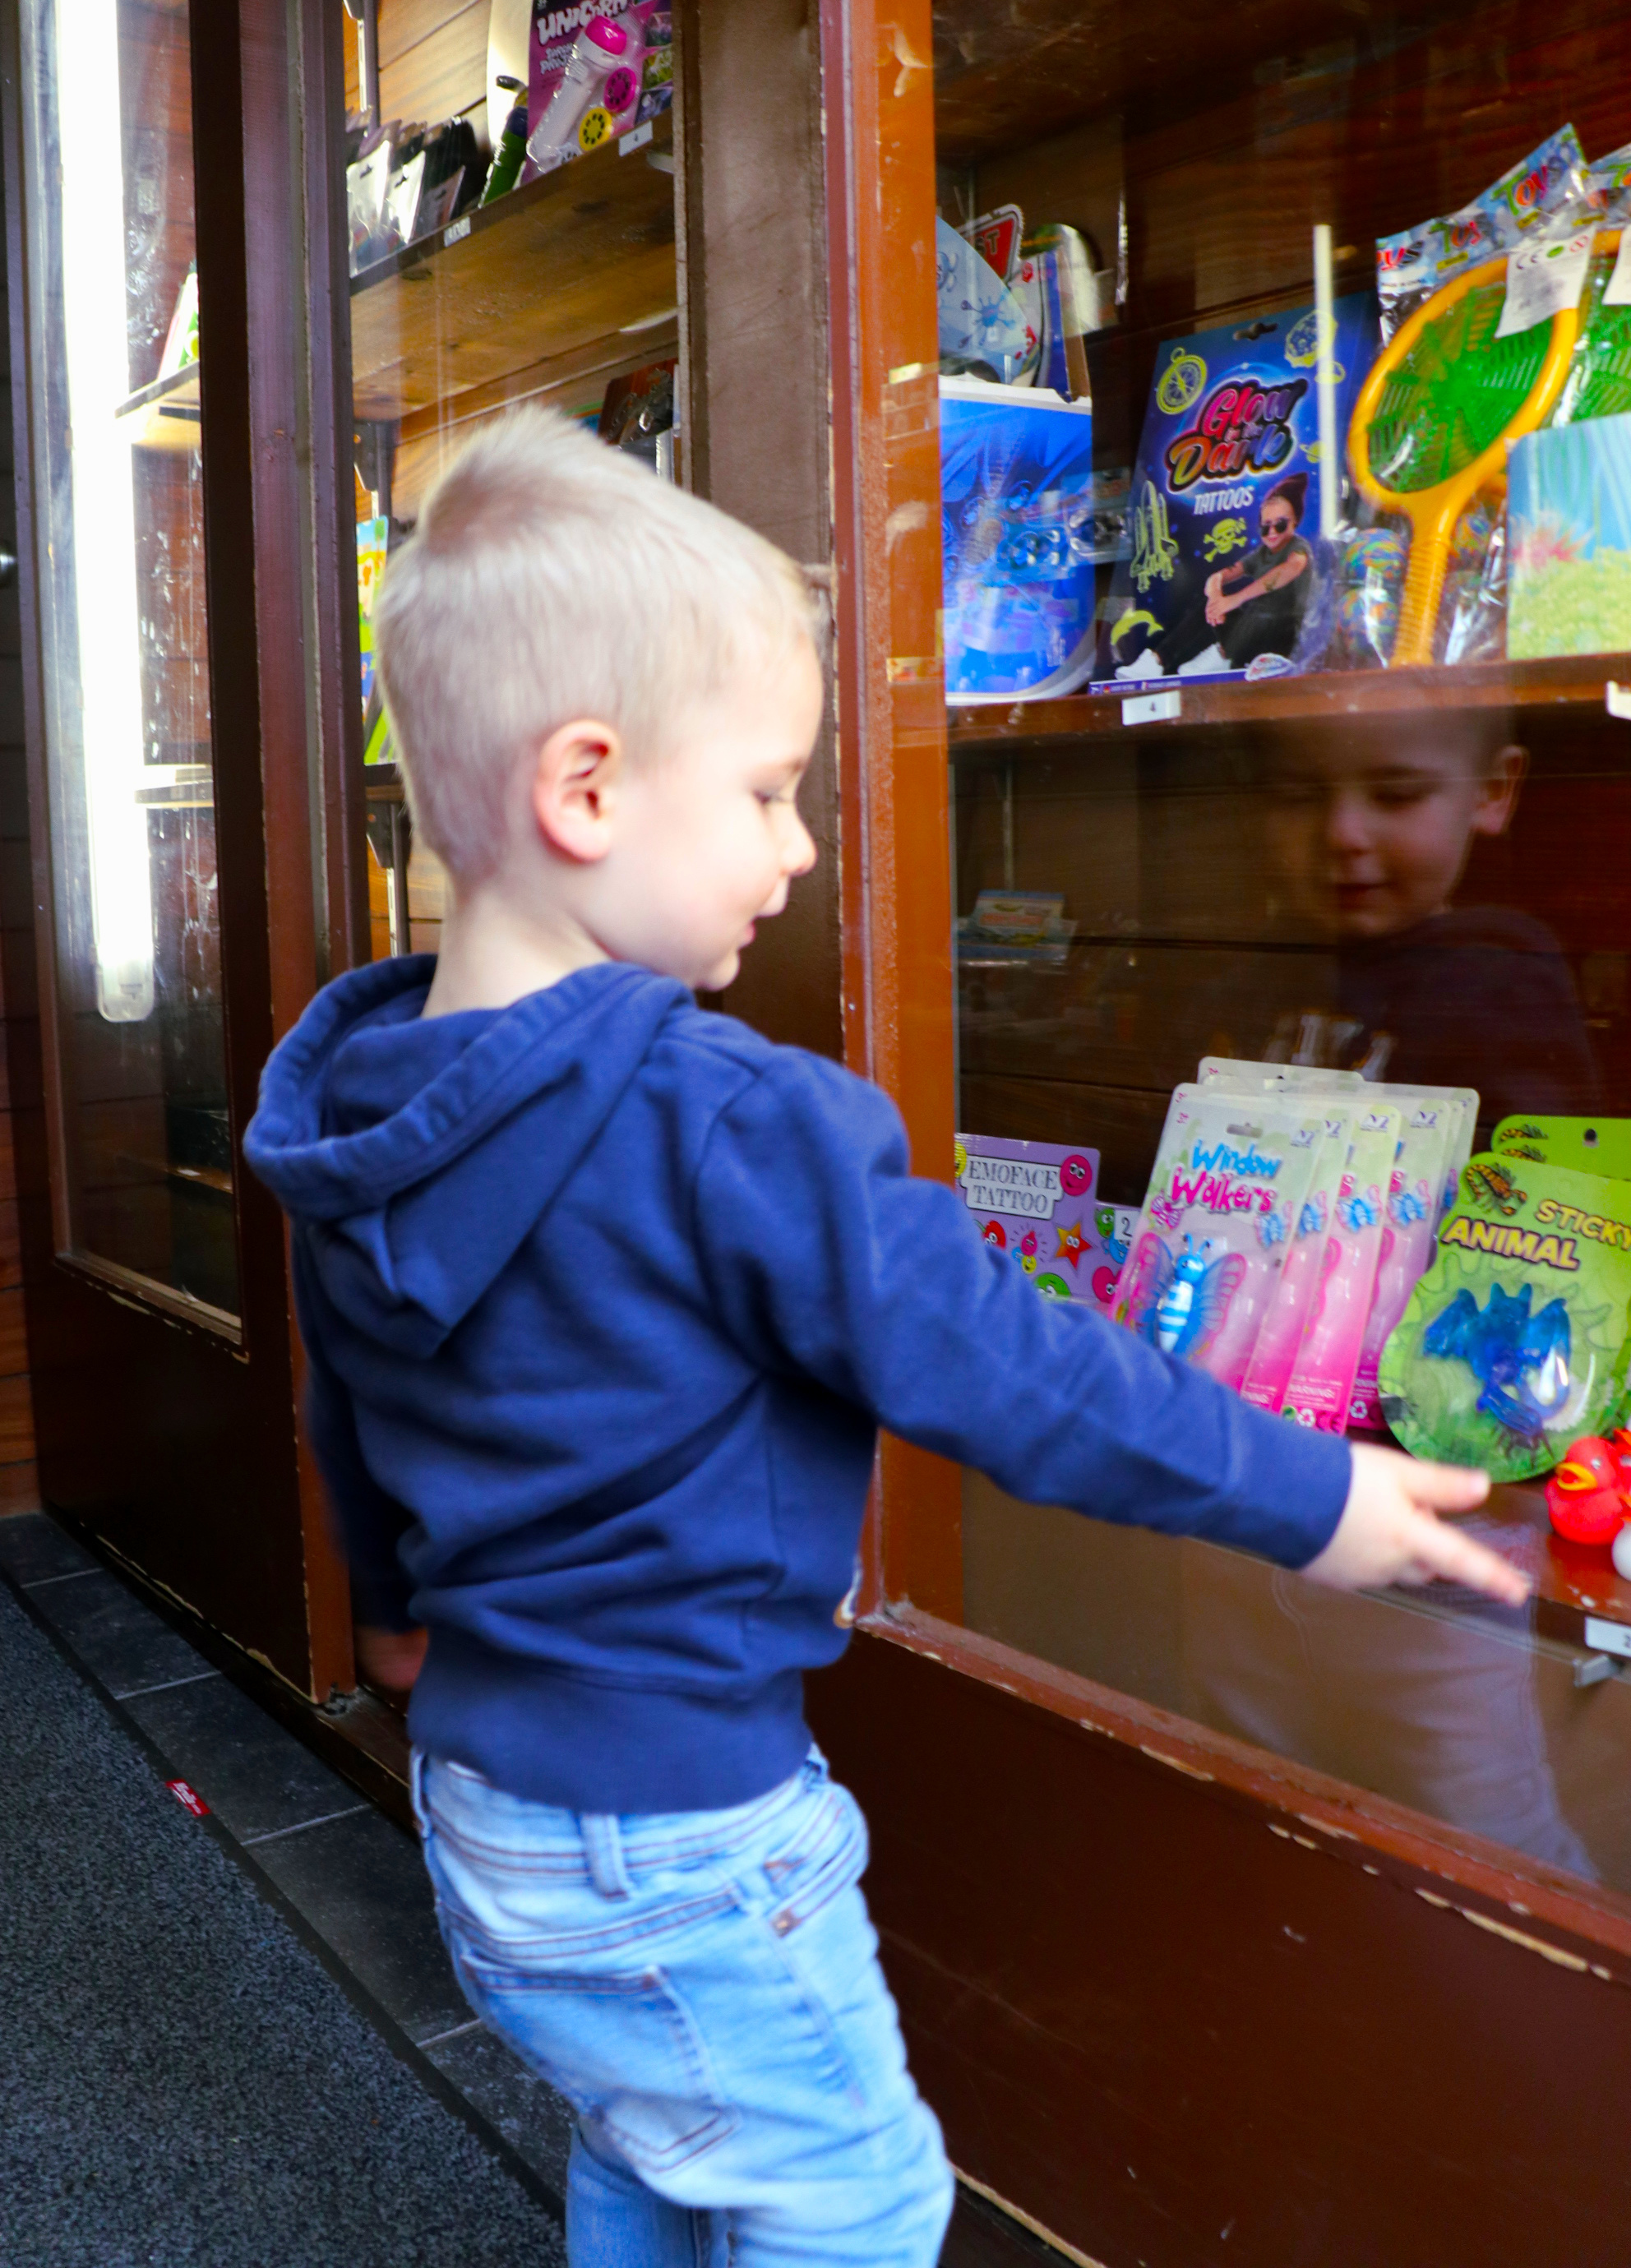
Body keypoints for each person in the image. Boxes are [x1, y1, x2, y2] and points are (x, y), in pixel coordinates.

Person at [244, 411, 1526, 2268]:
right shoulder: (731, 1120)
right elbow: (1012, 1367)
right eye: (767, 789)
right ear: (584, 788)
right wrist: (1303, 1492)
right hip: (684, 1826)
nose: (797, 843)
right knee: (848, 2198)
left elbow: (339, 1396)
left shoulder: (361, 1102)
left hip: (487, 1808)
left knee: (662, 2134)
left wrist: (381, 1601)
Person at [1260, 706, 1598, 1125]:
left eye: (1396, 794)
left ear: (1493, 790)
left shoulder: (1501, 977)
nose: (1341, 834)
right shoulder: (1242, 962)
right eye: (1299, 795)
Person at [1116, 471, 1315, 681]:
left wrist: (1233, 600)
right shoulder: (1262, 555)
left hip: (1283, 637)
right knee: (1211, 606)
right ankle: (1157, 661)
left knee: (1259, 614)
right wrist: (1215, 598)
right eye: (1266, 527)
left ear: (1295, 522)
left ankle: (1224, 653)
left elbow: (1288, 570)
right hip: (1254, 632)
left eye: (1280, 524)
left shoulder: (1298, 549)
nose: (1272, 531)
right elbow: (1220, 576)